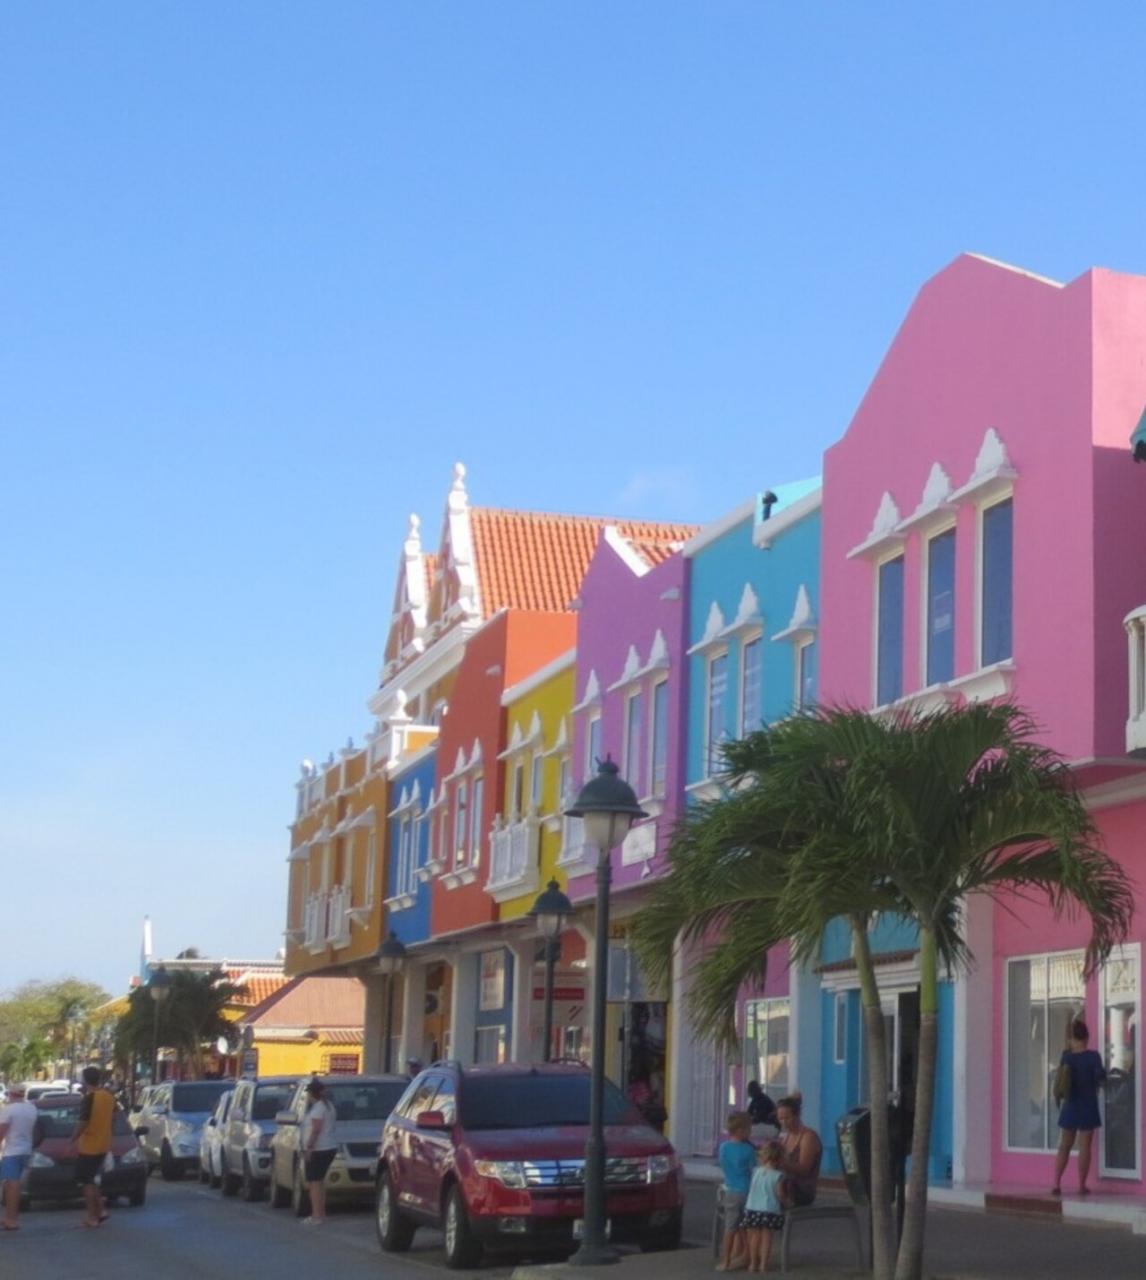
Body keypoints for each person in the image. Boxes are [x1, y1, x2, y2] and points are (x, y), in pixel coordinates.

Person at [1052, 1019, 1107, 1197]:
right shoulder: (1093, 1057)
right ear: (1087, 1038)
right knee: (1085, 1147)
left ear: (1072, 1038)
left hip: (1070, 1105)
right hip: (1088, 1105)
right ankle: (1081, 1185)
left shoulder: (1066, 1057)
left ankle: (1056, 1183)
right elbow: (1100, 1078)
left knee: (1064, 1146)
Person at [71, 1066, 114, 1228]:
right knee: (92, 1179)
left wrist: (72, 1139)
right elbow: (114, 1117)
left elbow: (83, 1121)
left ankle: (92, 1217)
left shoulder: (89, 1098)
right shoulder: (108, 1097)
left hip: (89, 1145)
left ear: (85, 1080)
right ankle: (101, 1211)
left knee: (86, 1181)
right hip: (103, 1143)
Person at [716, 1111, 756, 1272]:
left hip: (731, 1190)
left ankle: (726, 1260)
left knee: (730, 1227)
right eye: (748, 1129)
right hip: (747, 1190)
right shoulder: (748, 1149)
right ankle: (749, 1256)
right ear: (740, 1130)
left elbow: (722, 1164)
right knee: (746, 1226)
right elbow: (753, 1170)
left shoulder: (723, 1147)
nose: (750, 1132)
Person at [741, 1140, 789, 1273]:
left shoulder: (756, 1171)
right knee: (767, 1237)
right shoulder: (779, 1176)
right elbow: (780, 1194)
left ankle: (752, 1263)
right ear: (780, 1159)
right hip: (769, 1209)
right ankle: (763, 1264)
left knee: (754, 1237)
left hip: (752, 1208)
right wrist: (787, 1202)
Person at [0, 1083, 38, 1231]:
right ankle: (9, 1217)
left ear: (11, 1094)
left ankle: (11, 1219)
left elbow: (2, 1131)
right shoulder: (32, 1109)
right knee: (14, 1184)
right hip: (26, 1150)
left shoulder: (9, 1110)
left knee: (12, 1185)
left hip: (12, 1151)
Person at [300, 1077, 338, 1225]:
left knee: (314, 1182)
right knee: (320, 1181)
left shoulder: (318, 1109)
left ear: (312, 1094)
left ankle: (316, 1215)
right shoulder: (329, 1106)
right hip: (329, 1146)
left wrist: (309, 1147)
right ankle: (321, 1213)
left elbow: (316, 1129)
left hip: (319, 1149)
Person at [776, 1093, 821, 1207]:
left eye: (787, 1118)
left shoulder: (808, 1137)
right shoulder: (785, 1137)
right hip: (785, 1186)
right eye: (781, 1119)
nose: (784, 1122)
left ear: (797, 1115)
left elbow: (804, 1169)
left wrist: (781, 1164)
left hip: (801, 1191)